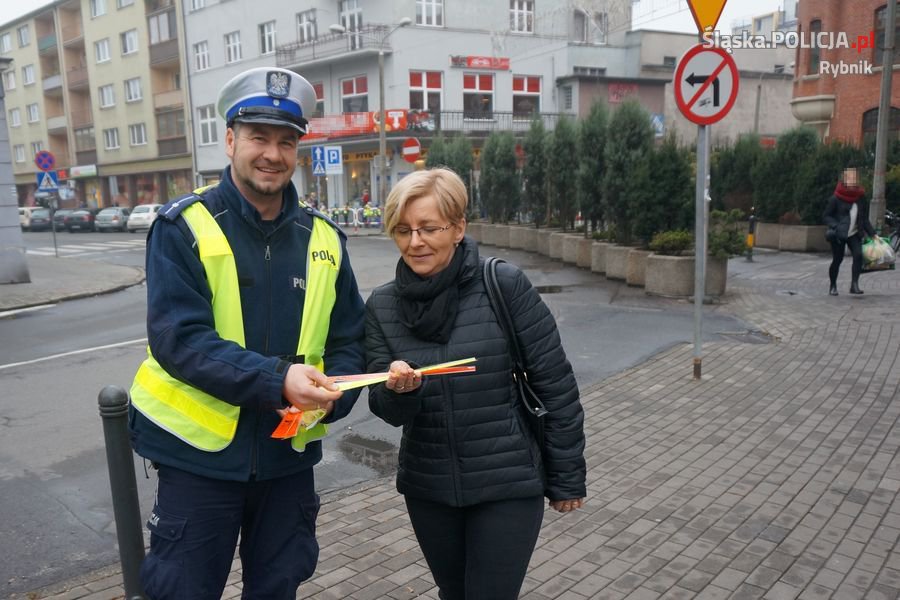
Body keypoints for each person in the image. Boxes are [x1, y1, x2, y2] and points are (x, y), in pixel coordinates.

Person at [128, 67, 366, 599]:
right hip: (198, 462)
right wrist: (279, 380)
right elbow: (179, 339)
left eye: (287, 142)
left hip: (287, 461)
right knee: (183, 592)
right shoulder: (184, 227)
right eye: (259, 137)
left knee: (278, 588)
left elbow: (350, 340)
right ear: (231, 140)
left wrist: (333, 399)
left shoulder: (324, 238)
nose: (272, 154)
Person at [365, 168, 587, 600]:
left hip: (507, 482)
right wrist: (399, 391)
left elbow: (555, 383)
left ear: (458, 227)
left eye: (429, 228)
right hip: (429, 487)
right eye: (403, 230)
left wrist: (567, 477)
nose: (415, 242)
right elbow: (383, 408)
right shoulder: (382, 305)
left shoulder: (502, 284)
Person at [823, 167, 877, 295]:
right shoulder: (835, 198)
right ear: (845, 180)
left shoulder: (860, 197)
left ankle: (854, 285)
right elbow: (826, 216)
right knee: (838, 259)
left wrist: (873, 234)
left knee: (858, 255)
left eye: (854, 178)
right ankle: (833, 285)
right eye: (850, 178)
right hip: (839, 234)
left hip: (854, 233)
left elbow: (864, 218)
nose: (852, 180)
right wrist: (836, 226)